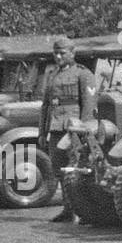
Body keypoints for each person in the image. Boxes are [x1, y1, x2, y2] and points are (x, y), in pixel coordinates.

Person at [41, 37, 97, 223]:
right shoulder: (52, 74)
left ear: (72, 53)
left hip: (74, 129)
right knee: (59, 167)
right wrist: (42, 132)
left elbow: (88, 106)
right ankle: (68, 209)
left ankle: (83, 210)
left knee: (77, 168)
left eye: (62, 53)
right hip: (56, 128)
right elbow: (46, 106)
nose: (58, 57)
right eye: (55, 53)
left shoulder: (83, 74)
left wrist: (84, 131)